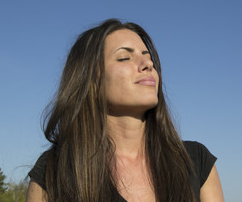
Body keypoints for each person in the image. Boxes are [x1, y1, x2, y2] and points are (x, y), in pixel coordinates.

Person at [26, 19, 224, 202]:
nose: (148, 64)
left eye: (148, 58)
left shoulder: (195, 161)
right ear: (91, 82)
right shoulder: (53, 170)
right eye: (124, 58)